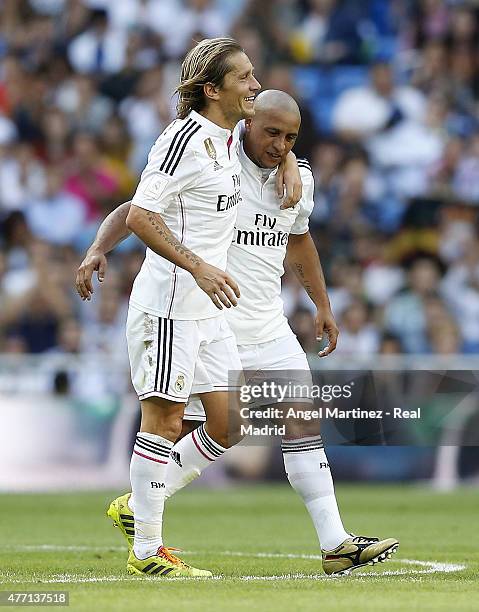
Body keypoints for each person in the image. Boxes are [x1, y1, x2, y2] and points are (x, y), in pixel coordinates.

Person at [77, 90, 399, 576]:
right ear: (247, 123)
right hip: (213, 314)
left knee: (295, 424)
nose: (280, 145)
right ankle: (144, 524)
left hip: (269, 324)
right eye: (272, 133)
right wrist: (97, 248)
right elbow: (137, 208)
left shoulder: (299, 179)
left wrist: (323, 304)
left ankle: (335, 543)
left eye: (291, 138)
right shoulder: (215, 157)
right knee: (196, 425)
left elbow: (300, 239)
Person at [76, 37, 300, 579]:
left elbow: (141, 202)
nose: (254, 85)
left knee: (230, 422)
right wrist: (193, 264)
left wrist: (290, 159)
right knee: (165, 419)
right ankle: (148, 550)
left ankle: (136, 502)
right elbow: (141, 214)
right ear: (211, 89)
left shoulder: (226, 140)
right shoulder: (183, 139)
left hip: (207, 310)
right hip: (171, 304)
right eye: (244, 78)